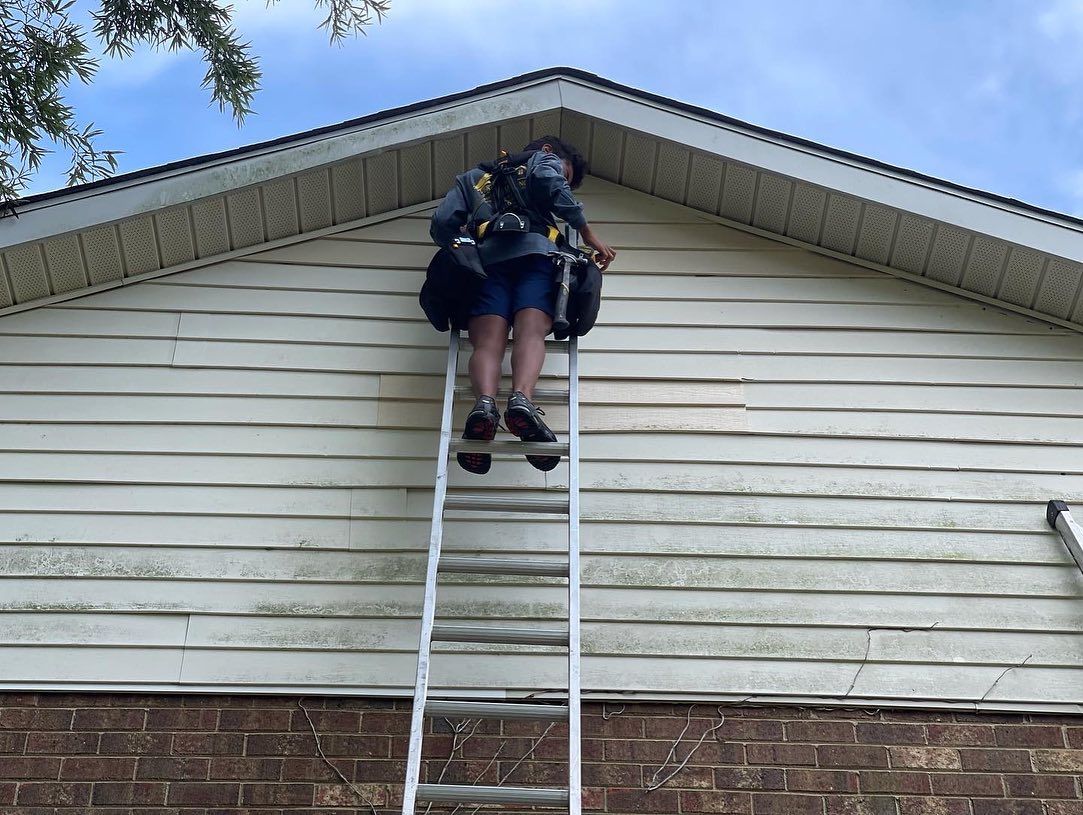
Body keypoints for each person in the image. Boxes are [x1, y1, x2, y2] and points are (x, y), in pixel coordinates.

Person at [429, 136, 616, 475]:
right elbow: (550, 184)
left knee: (486, 342)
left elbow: (442, 222)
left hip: (485, 265)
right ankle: (521, 400)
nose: (563, 180)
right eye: (566, 173)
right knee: (531, 333)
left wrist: (465, 247)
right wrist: (588, 234)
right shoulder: (541, 162)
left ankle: (484, 405)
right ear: (547, 152)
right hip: (536, 257)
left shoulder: (471, 178)